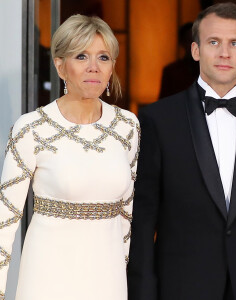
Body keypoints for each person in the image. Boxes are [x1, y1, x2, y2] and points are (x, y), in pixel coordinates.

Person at [127, 3, 236, 300]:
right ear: (195, 50)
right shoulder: (158, 120)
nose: (224, 53)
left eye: (235, 43)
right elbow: (143, 221)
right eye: (213, 42)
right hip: (181, 288)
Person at [0, 14, 140, 300]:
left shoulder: (128, 126)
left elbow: (128, 211)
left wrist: (122, 269)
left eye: (103, 57)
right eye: (81, 56)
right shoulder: (31, 128)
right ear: (60, 66)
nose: (94, 68)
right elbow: (5, 218)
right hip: (47, 274)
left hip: (108, 275)